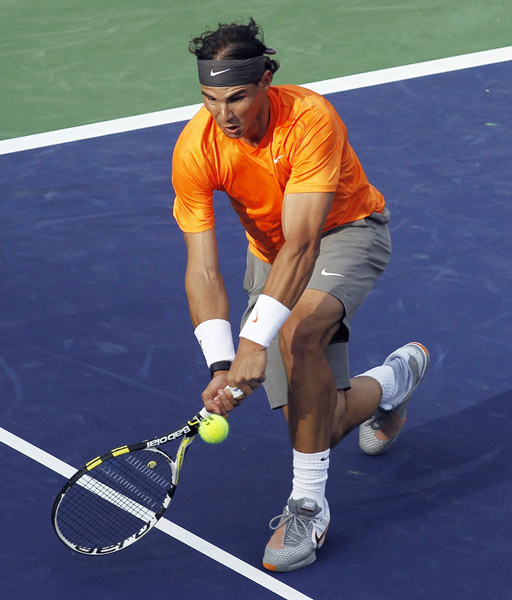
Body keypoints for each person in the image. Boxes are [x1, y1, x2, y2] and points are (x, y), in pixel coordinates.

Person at [171, 18, 429, 572]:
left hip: (345, 233)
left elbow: (304, 244)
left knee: (295, 330)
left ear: (266, 79)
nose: (224, 114)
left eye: (237, 96)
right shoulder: (197, 146)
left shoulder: (310, 118)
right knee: (320, 423)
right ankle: (393, 381)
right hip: (269, 253)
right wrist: (222, 361)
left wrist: (254, 341)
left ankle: (306, 506)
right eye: (210, 99)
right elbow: (202, 270)